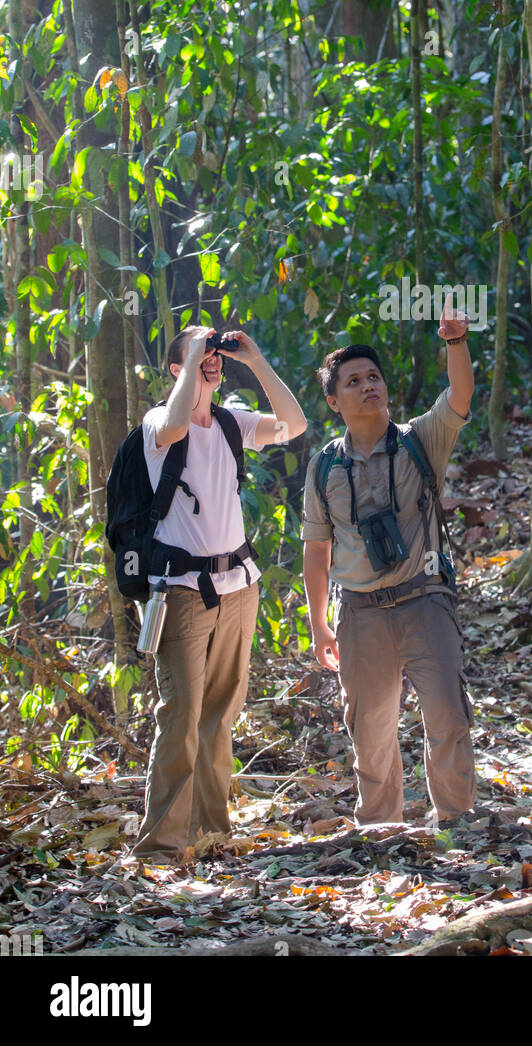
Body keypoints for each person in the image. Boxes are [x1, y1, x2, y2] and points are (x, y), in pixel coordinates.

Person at [132, 326, 307, 863]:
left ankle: (211, 832)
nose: (210, 359)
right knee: (181, 714)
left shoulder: (232, 421)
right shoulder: (160, 423)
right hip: (181, 589)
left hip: (239, 585)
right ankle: (161, 845)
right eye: (196, 354)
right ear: (174, 368)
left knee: (221, 712)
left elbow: (294, 425)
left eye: (213, 353)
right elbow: (180, 419)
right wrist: (192, 357)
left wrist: (253, 360)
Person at [301, 304, 477, 829]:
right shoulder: (324, 466)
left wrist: (455, 342)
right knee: (370, 730)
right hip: (361, 611)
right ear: (335, 402)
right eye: (352, 381)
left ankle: (457, 821)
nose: (367, 385)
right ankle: (381, 829)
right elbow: (316, 550)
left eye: (373, 376)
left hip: (425, 598)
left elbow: (460, 396)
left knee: (447, 712)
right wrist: (317, 624)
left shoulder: (421, 440)